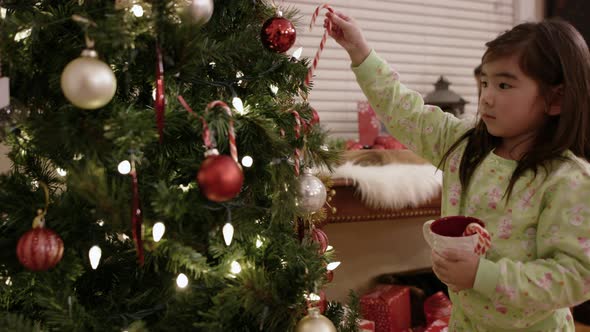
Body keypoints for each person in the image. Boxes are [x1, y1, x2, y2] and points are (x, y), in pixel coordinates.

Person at [325, 11, 590, 331]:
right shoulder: (464, 145)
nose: (486, 98)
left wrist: (483, 275)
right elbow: (405, 112)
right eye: (484, 83)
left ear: (555, 99)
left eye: (504, 84)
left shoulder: (568, 180)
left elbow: (575, 277)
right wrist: (360, 53)